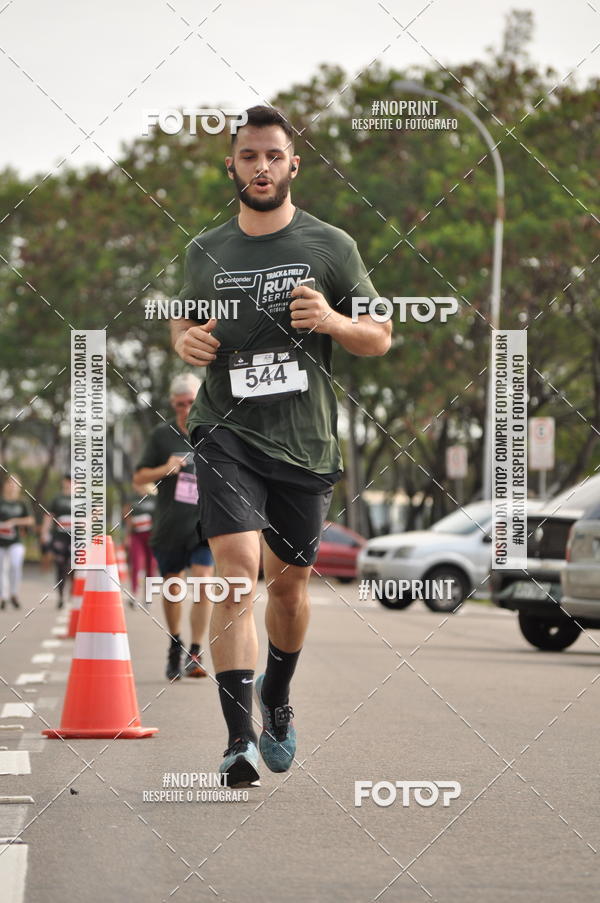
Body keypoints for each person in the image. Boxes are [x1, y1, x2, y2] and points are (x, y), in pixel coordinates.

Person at [171, 105, 391, 786]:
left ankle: (277, 696)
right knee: (237, 569)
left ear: (293, 165)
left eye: (272, 155)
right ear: (230, 166)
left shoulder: (331, 244)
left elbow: (379, 333)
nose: (260, 167)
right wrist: (185, 340)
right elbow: (183, 318)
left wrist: (331, 318)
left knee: (289, 590)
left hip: (304, 443)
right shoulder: (204, 249)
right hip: (225, 429)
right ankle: (238, 739)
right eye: (247, 156)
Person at [133, 373, 214, 680]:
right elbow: (138, 478)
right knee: (174, 586)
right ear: (172, 403)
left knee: (204, 582)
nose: (185, 408)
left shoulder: (214, 431)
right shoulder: (161, 435)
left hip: (204, 524)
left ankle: (196, 649)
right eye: (180, 404)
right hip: (169, 525)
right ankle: (175, 642)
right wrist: (162, 469)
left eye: (191, 402)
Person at [0, 474, 34, 609]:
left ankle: (14, 594)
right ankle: (3, 597)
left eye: (15, 483)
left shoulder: (23, 502)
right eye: (10, 483)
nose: (12, 486)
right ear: (5, 485)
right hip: (1, 541)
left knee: (15, 565)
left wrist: (14, 522)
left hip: (16, 541)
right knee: (1, 568)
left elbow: (30, 520)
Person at [41, 474, 73, 609]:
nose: (69, 483)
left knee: (74, 566)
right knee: (60, 566)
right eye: (68, 481)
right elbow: (49, 516)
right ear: (63, 482)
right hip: (60, 537)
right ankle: (60, 596)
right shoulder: (57, 499)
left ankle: (73, 592)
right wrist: (44, 532)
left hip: (76, 538)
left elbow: (93, 514)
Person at [122, 483, 158, 605]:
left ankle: (148, 596)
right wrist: (127, 536)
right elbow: (128, 518)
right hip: (136, 535)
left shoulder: (154, 498)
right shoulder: (132, 499)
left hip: (151, 535)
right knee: (136, 563)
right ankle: (134, 594)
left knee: (150, 565)